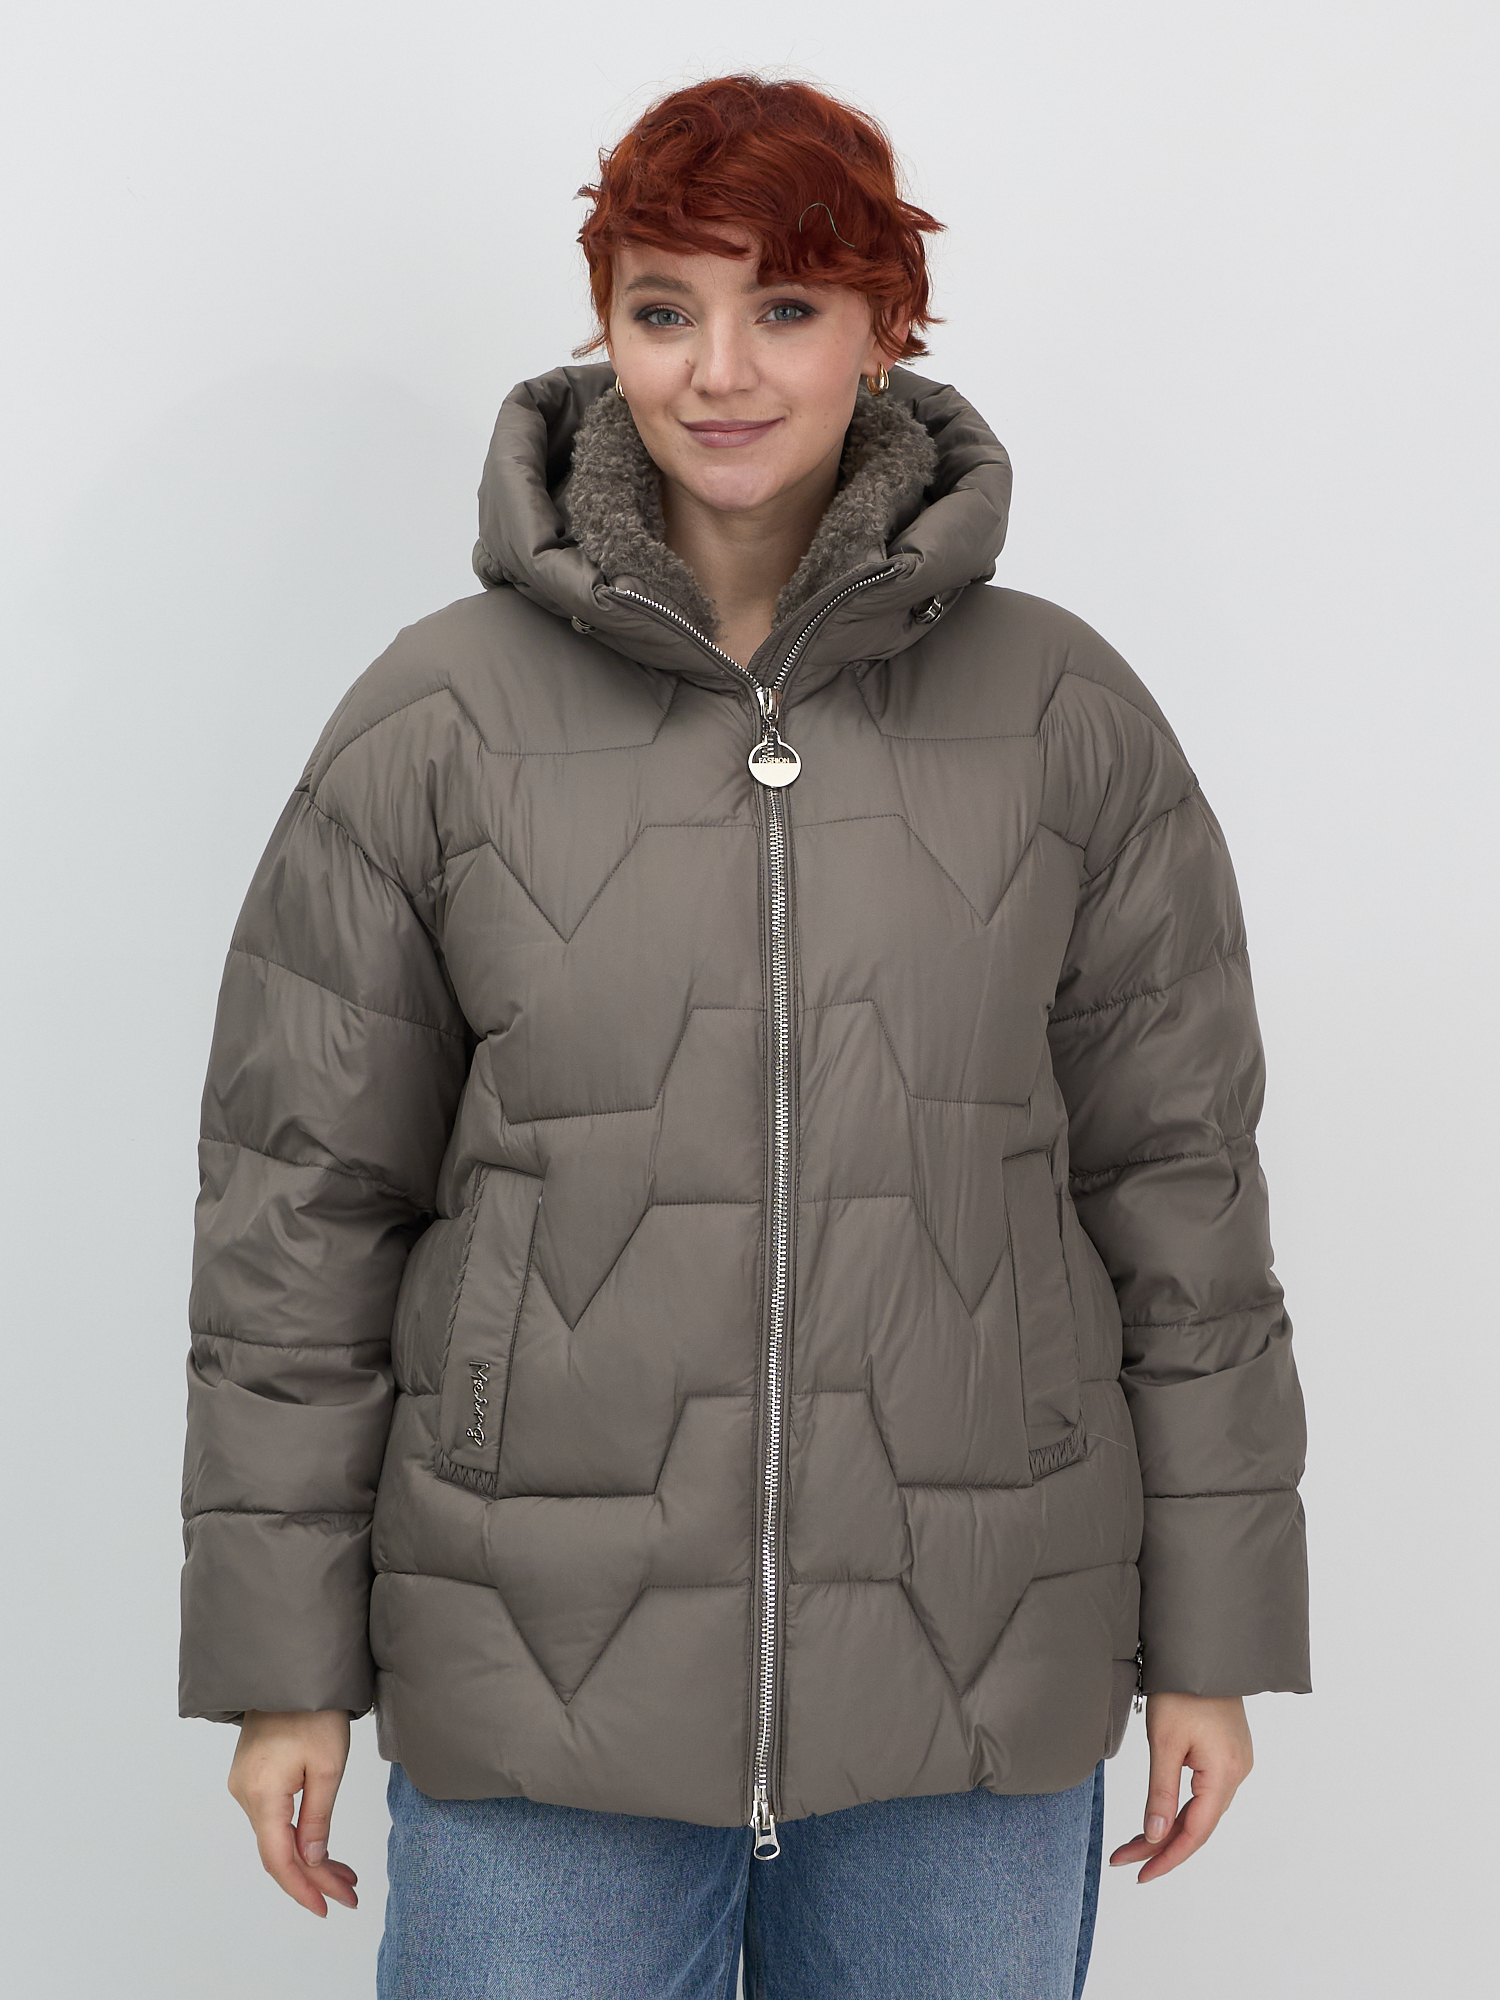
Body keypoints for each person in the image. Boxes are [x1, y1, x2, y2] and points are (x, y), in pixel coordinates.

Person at [178, 73, 1310, 2000]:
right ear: (603, 326)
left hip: (974, 1669)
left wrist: (1212, 1637)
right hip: (537, 1678)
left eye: (785, 306)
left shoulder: (1064, 716)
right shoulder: (435, 718)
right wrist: (286, 1674)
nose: (719, 369)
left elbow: (1179, 1192)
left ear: (884, 328)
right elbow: (301, 1214)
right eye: (663, 307)